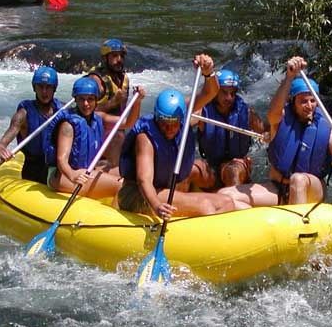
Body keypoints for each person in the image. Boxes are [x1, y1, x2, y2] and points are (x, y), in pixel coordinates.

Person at [219, 56, 332, 208]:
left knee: (298, 179)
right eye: (303, 101)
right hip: (278, 188)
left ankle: (298, 227)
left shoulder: (324, 125)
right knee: (226, 195)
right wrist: (289, 78)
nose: (309, 106)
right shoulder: (281, 119)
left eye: (312, 101)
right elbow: (272, 112)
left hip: (311, 189)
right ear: (293, 102)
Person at [117, 54, 236, 219]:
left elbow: (210, 92)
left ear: (180, 118)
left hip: (164, 191)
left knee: (227, 203)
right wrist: (157, 206)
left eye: (174, 123)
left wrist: (209, 73)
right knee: (206, 207)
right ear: (157, 116)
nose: (169, 127)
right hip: (139, 195)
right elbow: (144, 180)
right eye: (164, 122)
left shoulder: (182, 112)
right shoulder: (145, 138)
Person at [46, 77, 145, 199]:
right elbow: (61, 160)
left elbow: (129, 123)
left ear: (96, 100)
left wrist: (137, 102)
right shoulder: (68, 126)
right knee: (122, 186)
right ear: (75, 99)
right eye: (81, 99)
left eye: (90, 99)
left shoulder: (99, 118)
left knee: (131, 173)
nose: (86, 104)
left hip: (87, 169)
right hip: (63, 176)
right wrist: (73, 175)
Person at [193, 68, 267, 189]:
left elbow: (265, 131)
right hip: (211, 167)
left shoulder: (246, 112)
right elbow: (183, 123)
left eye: (232, 93)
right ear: (215, 92)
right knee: (191, 169)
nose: (229, 98)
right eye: (224, 93)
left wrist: (269, 133)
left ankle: (234, 203)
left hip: (237, 165)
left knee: (232, 171)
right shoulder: (203, 111)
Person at [0, 66, 64, 184]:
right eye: (40, 87)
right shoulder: (23, 114)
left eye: (48, 87)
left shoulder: (63, 110)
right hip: (33, 169)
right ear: (34, 88)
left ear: (54, 88)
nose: (44, 92)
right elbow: (4, 141)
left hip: (56, 167)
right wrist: (0, 148)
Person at [86, 38, 130, 166]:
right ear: (105, 58)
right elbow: (86, 110)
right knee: (118, 137)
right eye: (114, 56)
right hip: (98, 131)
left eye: (121, 56)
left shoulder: (123, 77)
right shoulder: (96, 80)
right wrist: (112, 102)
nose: (119, 59)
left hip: (118, 128)